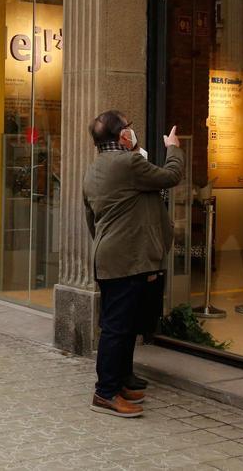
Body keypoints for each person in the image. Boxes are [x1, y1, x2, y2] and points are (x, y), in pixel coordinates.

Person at [82, 111, 184, 418]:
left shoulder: (95, 168)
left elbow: (91, 218)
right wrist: (174, 148)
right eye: (128, 127)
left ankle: (122, 380)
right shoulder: (128, 163)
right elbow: (170, 177)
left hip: (115, 256)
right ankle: (106, 393)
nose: (132, 131)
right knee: (117, 328)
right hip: (127, 259)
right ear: (121, 136)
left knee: (124, 326)